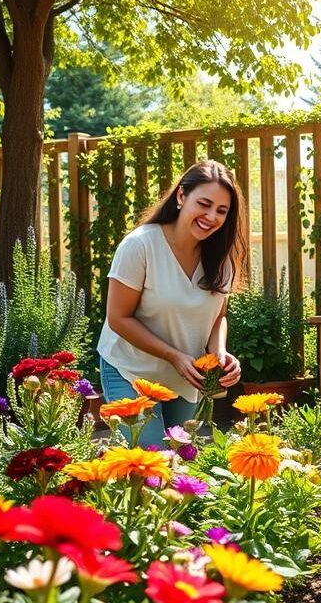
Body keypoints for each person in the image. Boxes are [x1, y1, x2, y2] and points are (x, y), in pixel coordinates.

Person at [98, 160, 248, 448]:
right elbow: (118, 318)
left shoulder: (221, 258)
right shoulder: (140, 246)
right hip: (131, 371)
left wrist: (219, 353)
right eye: (203, 204)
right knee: (151, 463)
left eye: (221, 211)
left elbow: (219, 316)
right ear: (181, 196)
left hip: (186, 378)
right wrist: (173, 355)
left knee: (180, 466)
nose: (211, 216)